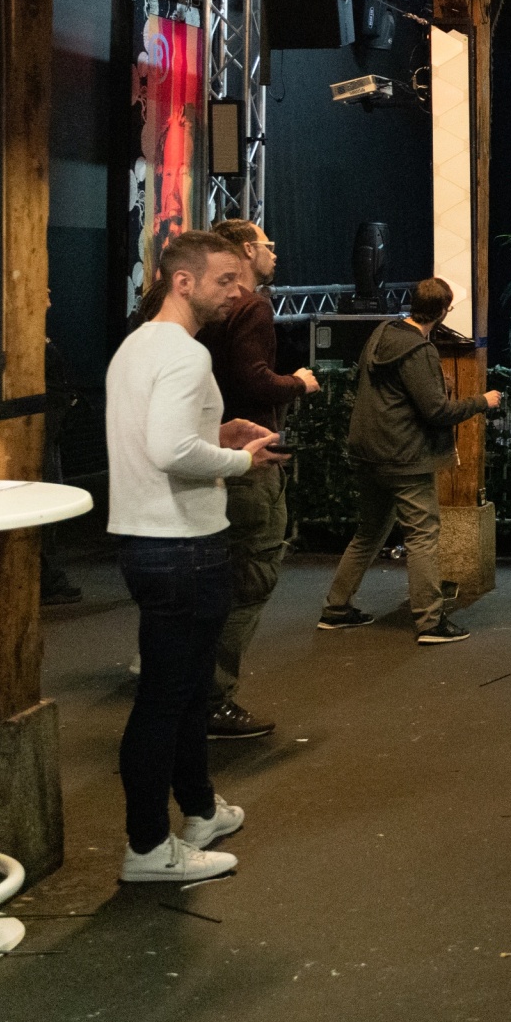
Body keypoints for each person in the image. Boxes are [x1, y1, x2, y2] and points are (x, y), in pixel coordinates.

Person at [105, 230, 281, 882]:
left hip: (153, 540)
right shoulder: (183, 354)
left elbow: (165, 436)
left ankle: (200, 812)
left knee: (181, 696)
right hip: (180, 545)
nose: (237, 292)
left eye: (238, 279)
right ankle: (148, 849)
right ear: (183, 282)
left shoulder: (138, 347)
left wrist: (218, 433)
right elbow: (171, 451)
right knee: (166, 701)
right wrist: (241, 460)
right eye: (223, 281)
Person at [319, 279, 500, 645]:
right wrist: (482, 401)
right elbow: (436, 411)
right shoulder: (420, 350)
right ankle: (430, 621)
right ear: (443, 311)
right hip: (405, 455)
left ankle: (336, 609)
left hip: (368, 450)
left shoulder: (381, 334)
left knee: (369, 532)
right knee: (422, 535)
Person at [198, 220, 319, 741]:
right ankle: (211, 699)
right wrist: (298, 382)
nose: (275, 254)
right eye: (268, 245)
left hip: (219, 457)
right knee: (250, 577)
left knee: (219, 577)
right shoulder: (252, 308)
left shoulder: (192, 323)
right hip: (250, 461)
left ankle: (192, 692)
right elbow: (253, 378)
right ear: (247, 250)